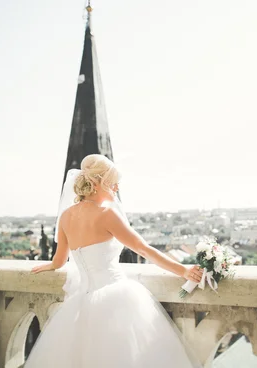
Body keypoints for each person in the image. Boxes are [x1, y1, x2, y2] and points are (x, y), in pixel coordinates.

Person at [26, 154, 203, 367]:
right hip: (115, 297)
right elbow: (142, 249)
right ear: (98, 183)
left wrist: (48, 266)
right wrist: (182, 270)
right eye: (112, 183)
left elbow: (59, 260)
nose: (116, 188)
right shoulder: (107, 214)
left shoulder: (66, 216)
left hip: (81, 301)